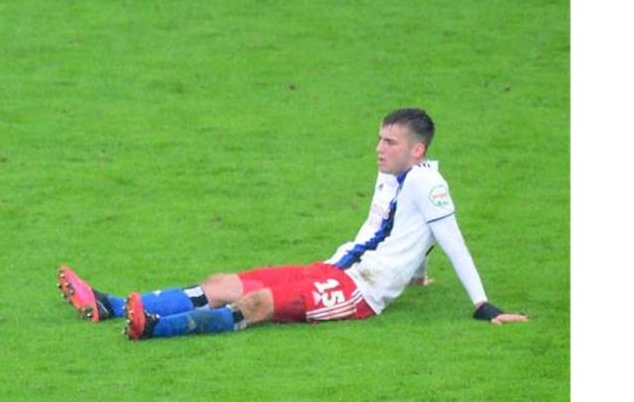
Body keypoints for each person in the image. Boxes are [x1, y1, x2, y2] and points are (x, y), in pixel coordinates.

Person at [57, 108, 528, 340]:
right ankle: (111, 305)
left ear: (417, 151)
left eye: (390, 142)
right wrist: (418, 273)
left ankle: (155, 327)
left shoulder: (429, 184)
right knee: (222, 282)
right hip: (331, 270)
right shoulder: (390, 176)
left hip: (359, 294)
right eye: (380, 139)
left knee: (258, 302)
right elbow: (394, 229)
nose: (379, 148)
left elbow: (451, 238)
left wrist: (483, 305)